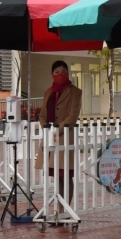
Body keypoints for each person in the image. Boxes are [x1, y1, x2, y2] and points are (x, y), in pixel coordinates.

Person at [40, 60, 82, 208]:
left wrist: (58, 129)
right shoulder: (48, 92)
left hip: (64, 137)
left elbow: (72, 116)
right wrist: (46, 127)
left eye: (63, 72)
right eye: (57, 72)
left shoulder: (75, 92)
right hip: (50, 137)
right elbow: (42, 114)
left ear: (68, 73)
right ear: (52, 75)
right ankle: (59, 208)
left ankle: (64, 208)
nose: (60, 75)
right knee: (56, 175)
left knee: (65, 174)